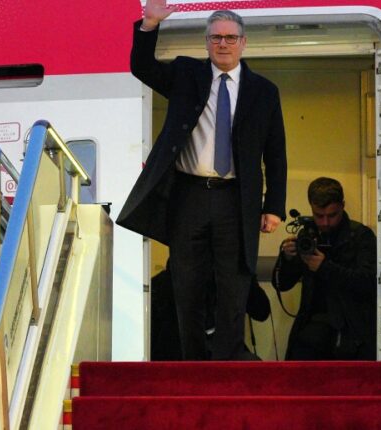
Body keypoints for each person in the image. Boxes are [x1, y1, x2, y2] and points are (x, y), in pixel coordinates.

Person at [117, 0, 287, 361]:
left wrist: (273, 207)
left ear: (243, 42)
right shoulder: (186, 75)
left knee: (233, 283)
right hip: (189, 194)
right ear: (206, 42)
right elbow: (141, 67)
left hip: (235, 198)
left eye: (229, 37)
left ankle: (226, 364)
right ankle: (193, 364)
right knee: (187, 281)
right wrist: (149, 25)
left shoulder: (265, 91)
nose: (222, 44)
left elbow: (275, 153)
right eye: (215, 38)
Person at [273, 177, 376, 360]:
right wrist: (288, 259)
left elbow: (368, 283)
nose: (325, 222)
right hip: (311, 328)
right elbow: (282, 284)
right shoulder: (308, 235)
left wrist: (324, 267)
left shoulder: (360, 236)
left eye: (332, 215)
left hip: (351, 332)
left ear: (342, 206)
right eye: (319, 216)